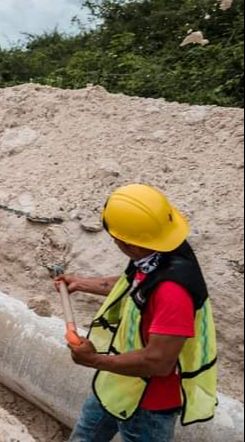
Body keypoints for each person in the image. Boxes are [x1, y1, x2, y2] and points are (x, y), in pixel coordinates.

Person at [55, 185, 217, 442]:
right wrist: (82, 283)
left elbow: (158, 362)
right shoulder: (157, 250)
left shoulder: (174, 292)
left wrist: (94, 360)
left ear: (129, 243)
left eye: (115, 237)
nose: (114, 241)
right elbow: (134, 282)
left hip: (149, 405)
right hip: (118, 381)